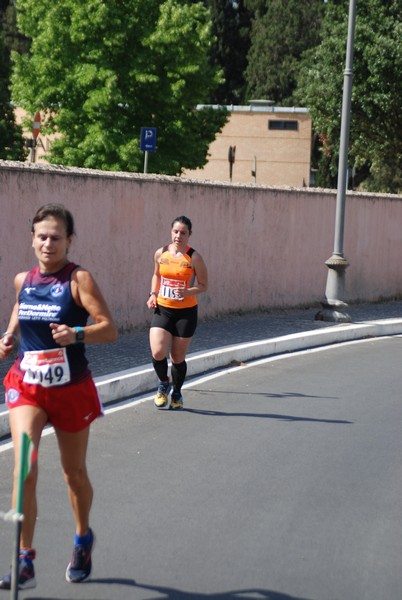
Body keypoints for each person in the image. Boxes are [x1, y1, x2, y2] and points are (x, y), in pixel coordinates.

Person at [0, 203, 118, 591]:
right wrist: (10, 336)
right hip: (28, 385)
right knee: (25, 469)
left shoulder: (78, 279)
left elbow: (109, 329)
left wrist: (78, 334)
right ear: (32, 240)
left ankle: (83, 539)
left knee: (74, 474)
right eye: (41, 236)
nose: (48, 243)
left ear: (69, 240)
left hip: (70, 388)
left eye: (56, 237)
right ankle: (25, 560)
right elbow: (21, 307)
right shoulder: (23, 279)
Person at [147, 216, 208, 410]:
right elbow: (157, 275)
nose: (178, 236)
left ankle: (177, 393)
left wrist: (188, 291)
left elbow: (203, 285)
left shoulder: (194, 257)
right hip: (163, 309)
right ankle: (163, 383)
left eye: (183, 232)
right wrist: (152, 294)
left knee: (177, 358)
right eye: (175, 231)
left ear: (189, 234)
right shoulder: (161, 253)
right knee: (157, 352)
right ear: (171, 232)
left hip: (186, 313)